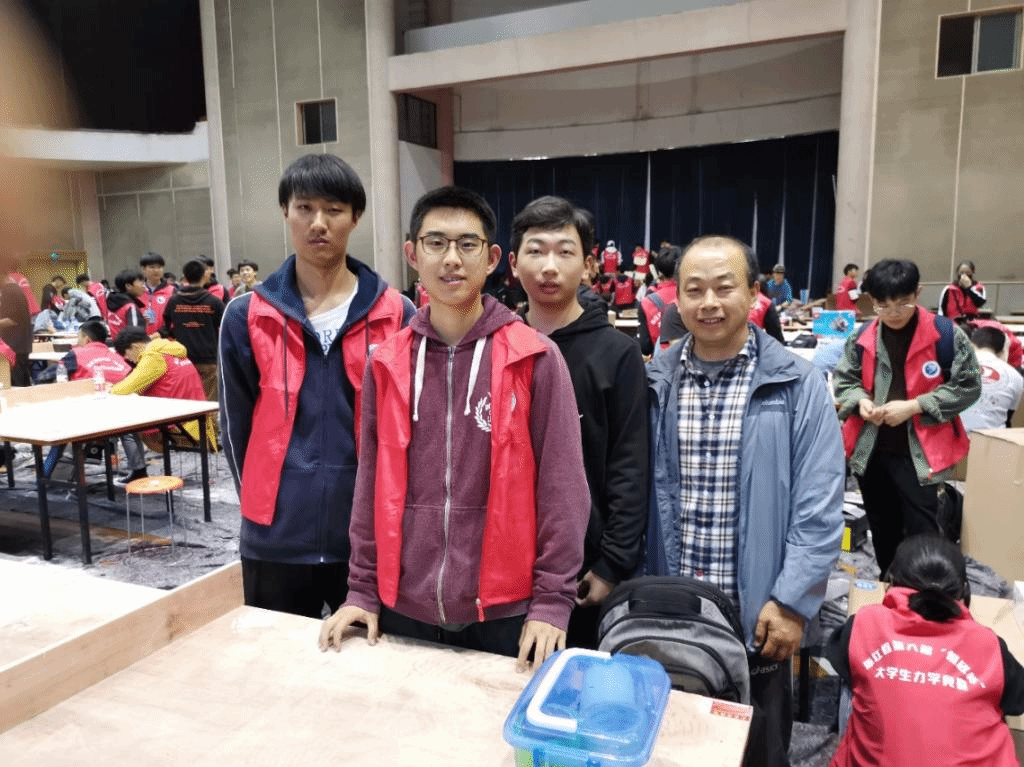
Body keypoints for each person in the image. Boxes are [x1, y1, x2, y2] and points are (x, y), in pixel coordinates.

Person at [318, 186, 589, 671]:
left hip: (506, 610)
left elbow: (563, 488)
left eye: (467, 244)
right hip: (404, 603)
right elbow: (370, 483)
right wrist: (362, 588)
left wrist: (552, 600)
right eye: (436, 243)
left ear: (492, 259)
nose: (451, 259)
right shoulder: (387, 362)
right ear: (412, 255)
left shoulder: (535, 357)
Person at [646, 235, 844, 767]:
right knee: (669, 749)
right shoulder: (654, 382)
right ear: (677, 298)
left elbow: (819, 505)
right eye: (694, 290)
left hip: (759, 618)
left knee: (756, 752)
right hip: (672, 616)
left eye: (724, 287)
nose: (708, 303)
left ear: (754, 293)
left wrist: (792, 600)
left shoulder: (797, 384)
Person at [219, 153, 413, 620]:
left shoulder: (397, 314)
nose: (318, 223)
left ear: (356, 217)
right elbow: (235, 429)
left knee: (369, 660)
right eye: (304, 208)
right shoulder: (247, 316)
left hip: (368, 542)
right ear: (285, 212)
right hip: (276, 540)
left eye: (334, 210)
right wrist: (261, 510)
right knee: (277, 661)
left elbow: (410, 427)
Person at [509, 195, 648, 649]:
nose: (549, 267)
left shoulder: (617, 354)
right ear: (513, 263)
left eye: (565, 252)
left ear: (589, 265)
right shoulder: (497, 347)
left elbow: (629, 466)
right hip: (503, 564)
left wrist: (611, 564)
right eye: (536, 251)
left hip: (584, 571)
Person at [834, 259, 980, 576]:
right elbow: (845, 381)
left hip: (920, 455)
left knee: (922, 532)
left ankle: (923, 592)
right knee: (882, 529)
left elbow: (969, 386)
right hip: (872, 451)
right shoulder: (862, 337)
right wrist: (861, 402)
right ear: (872, 300)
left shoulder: (946, 335)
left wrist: (915, 406)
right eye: (883, 305)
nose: (893, 313)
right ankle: (891, 589)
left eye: (903, 303)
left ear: (918, 293)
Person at [825, 535, 1024, 767]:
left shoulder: (864, 624)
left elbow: (838, 658)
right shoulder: (988, 645)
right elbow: (1017, 702)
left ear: (891, 582)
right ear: (964, 591)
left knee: (854, 686)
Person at [37, 321, 148, 482]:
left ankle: (45, 475)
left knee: (60, 437)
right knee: (129, 431)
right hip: (123, 416)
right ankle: (140, 471)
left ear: (87, 339)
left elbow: (46, 376)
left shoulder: (76, 354)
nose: (77, 342)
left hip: (87, 416)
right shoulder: (119, 357)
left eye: (79, 338)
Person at [112, 327, 216, 453]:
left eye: (126, 354)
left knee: (129, 424)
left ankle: (136, 464)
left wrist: (108, 389)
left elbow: (124, 389)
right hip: (197, 420)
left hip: (180, 425)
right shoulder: (171, 351)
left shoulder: (153, 357)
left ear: (134, 347)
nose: (127, 358)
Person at [161, 259, 224, 401]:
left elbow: (167, 326)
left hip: (182, 359)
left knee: (188, 399)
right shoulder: (214, 302)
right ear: (204, 276)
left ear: (185, 277)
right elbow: (226, 326)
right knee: (209, 402)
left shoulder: (174, 301)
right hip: (208, 359)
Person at [959, 326, 1023, 433]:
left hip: (953, 438)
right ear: (1002, 351)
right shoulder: (1015, 376)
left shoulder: (950, 366)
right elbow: (1011, 417)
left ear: (971, 344)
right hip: (992, 439)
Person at [637, 245, 682, 356]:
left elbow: (645, 347)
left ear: (659, 271)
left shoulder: (647, 302)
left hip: (660, 362)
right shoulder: (691, 295)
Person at [0, 259, 33, 386]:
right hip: (18, 345)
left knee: (18, 385)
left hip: (14, 347)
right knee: (22, 383)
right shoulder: (13, 290)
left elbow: (12, 320)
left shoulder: (10, 291)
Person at [139, 252, 176, 334]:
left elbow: (174, 319)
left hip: (165, 339)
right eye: (152, 267)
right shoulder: (137, 291)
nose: (156, 270)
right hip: (142, 338)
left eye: (159, 267)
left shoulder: (172, 291)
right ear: (144, 269)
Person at [105, 269, 148, 337]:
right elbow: (134, 334)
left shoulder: (111, 301)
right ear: (128, 286)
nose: (144, 286)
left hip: (115, 342)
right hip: (129, 343)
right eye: (141, 282)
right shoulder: (130, 307)